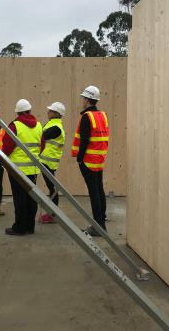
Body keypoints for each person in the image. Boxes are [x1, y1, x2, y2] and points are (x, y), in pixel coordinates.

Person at [71, 86, 110, 237]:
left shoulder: (87, 117)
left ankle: (98, 227)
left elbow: (84, 140)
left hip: (88, 161)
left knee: (94, 193)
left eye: (83, 98)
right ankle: (102, 222)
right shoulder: (103, 116)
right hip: (99, 159)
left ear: (87, 100)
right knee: (99, 190)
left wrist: (80, 159)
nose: (82, 101)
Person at [2, 99, 42, 236]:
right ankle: (30, 227)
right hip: (33, 170)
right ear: (30, 111)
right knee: (31, 198)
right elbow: (41, 146)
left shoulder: (15, 126)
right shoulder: (38, 126)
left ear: (18, 112)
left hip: (18, 170)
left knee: (20, 199)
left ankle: (19, 227)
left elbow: (7, 146)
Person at [38, 102, 66, 224]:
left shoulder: (56, 128)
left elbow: (41, 136)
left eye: (50, 110)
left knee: (52, 188)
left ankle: (53, 214)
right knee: (52, 188)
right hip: (46, 161)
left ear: (56, 114)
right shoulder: (53, 124)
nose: (48, 112)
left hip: (47, 162)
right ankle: (52, 213)